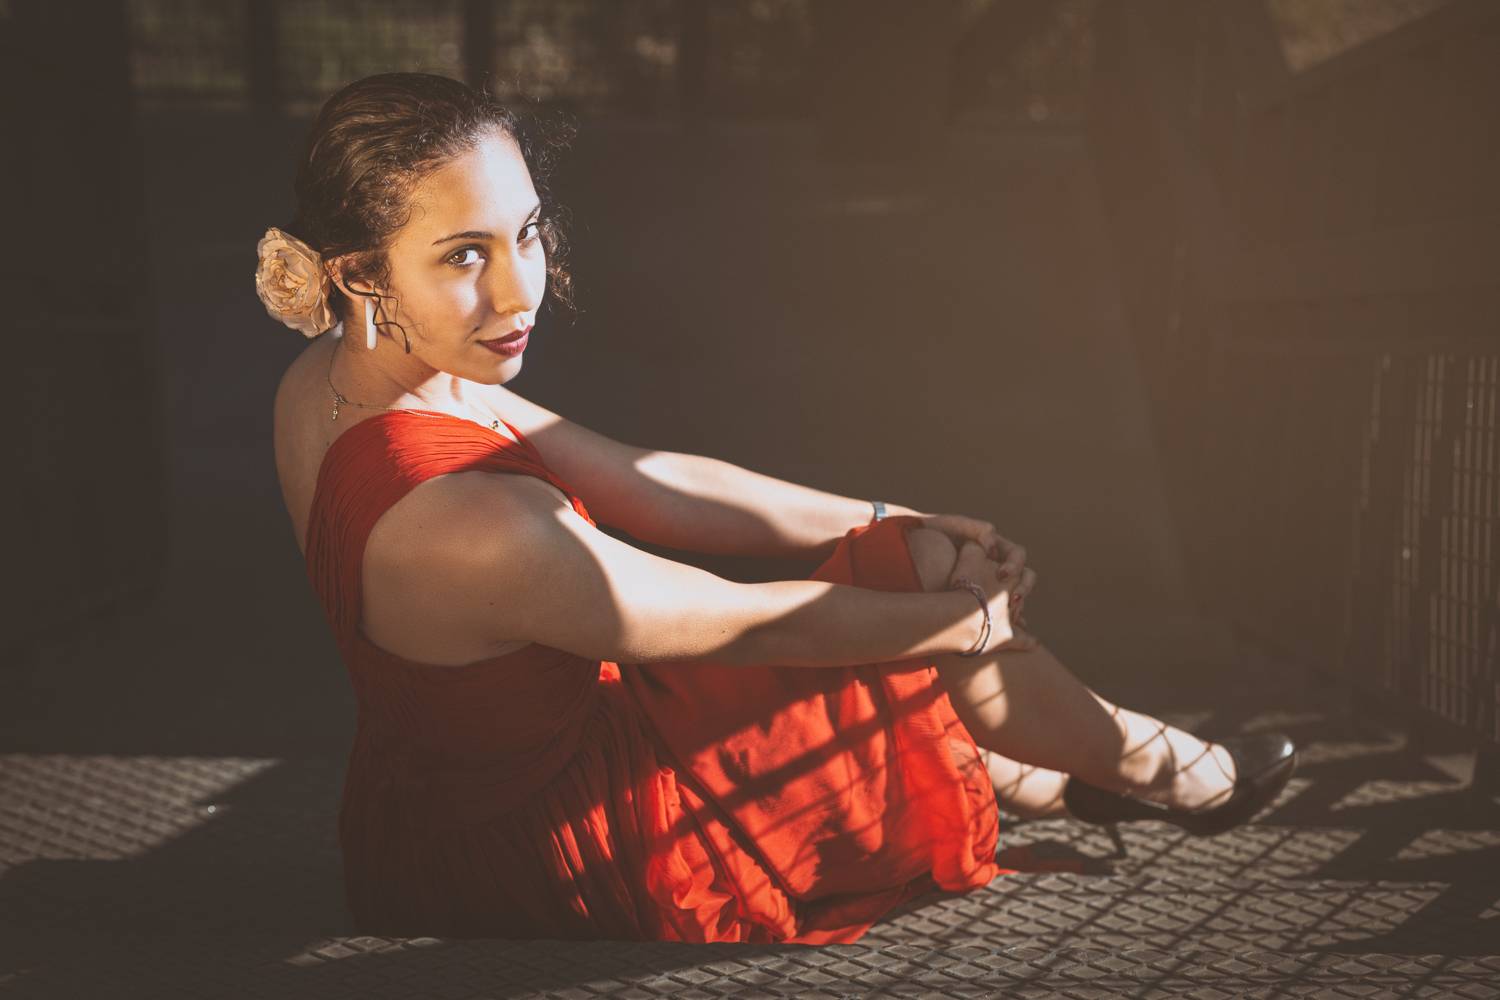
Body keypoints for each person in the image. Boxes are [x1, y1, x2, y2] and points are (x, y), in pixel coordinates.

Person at [264, 73, 1297, 943]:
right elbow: (747, 624)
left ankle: (1080, 769)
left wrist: (896, 513)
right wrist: (962, 620)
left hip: (427, 811)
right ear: (359, 273)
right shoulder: (468, 525)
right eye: (464, 256)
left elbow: (649, 480)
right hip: (572, 844)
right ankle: (1170, 773)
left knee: (912, 562)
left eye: (525, 233)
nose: (517, 291)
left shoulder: (339, 375)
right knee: (916, 597)